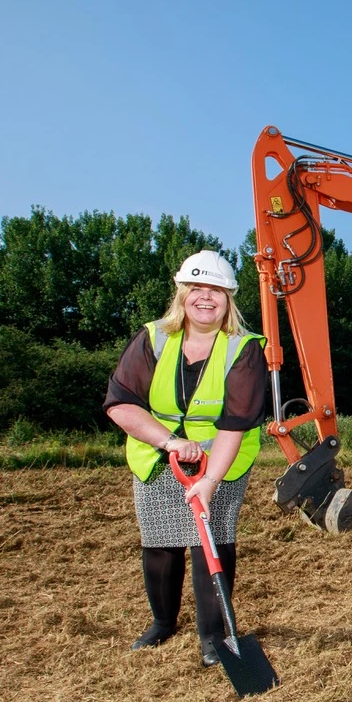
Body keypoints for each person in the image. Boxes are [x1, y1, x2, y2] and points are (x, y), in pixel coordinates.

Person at [104, 250, 267, 668]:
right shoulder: (154, 338)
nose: (205, 297)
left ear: (229, 299)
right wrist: (169, 442)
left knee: (212, 542)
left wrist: (210, 480)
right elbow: (121, 403)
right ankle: (162, 622)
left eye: (215, 290)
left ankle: (213, 637)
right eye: (197, 288)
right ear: (182, 294)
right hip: (161, 456)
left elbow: (235, 422)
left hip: (222, 460)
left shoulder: (243, 349)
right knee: (159, 540)